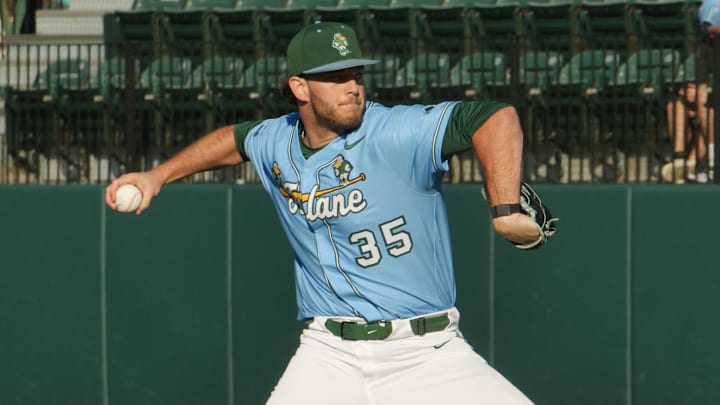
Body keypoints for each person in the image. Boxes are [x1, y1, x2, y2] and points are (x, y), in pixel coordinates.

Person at [106, 22, 555, 404]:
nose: (352, 86)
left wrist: (504, 208)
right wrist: (158, 176)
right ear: (299, 87)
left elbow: (495, 118)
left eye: (355, 73)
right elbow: (234, 140)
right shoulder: (275, 140)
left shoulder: (397, 133)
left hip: (428, 351)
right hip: (329, 354)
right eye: (335, 76)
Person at [662, 0, 718, 183]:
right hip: (713, 99)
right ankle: (685, 159)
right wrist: (691, 91)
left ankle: (703, 160)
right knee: (679, 105)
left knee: (708, 103)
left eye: (715, 33)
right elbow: (702, 80)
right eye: (708, 33)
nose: (711, 38)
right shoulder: (707, 44)